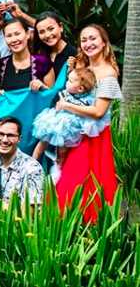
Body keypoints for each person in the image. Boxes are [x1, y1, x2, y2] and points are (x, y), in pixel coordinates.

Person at [56, 25, 122, 222]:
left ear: (103, 42)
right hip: (76, 132)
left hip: (94, 137)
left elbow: (99, 111)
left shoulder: (108, 72)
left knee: (83, 182)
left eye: (93, 38)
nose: (88, 43)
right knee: (68, 180)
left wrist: (66, 106)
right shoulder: (84, 69)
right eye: (84, 40)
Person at [32, 68, 99, 181]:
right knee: (44, 140)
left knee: (63, 149)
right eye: (68, 80)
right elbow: (57, 106)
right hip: (56, 121)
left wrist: (85, 127)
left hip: (70, 127)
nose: (67, 82)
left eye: (71, 81)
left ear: (80, 88)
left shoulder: (87, 100)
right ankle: (33, 160)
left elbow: (86, 115)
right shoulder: (64, 94)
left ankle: (58, 167)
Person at [0, 117, 44, 208]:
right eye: (0, 134)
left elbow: (29, 212)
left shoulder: (32, 168)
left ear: (19, 139)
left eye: (10, 135)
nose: (4, 140)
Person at [0, 18, 55, 92]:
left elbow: (52, 95)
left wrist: (43, 87)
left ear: (28, 34)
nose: (14, 40)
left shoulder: (43, 62)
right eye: (9, 36)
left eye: (17, 34)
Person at [33, 11, 78, 76]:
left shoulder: (74, 55)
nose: (47, 35)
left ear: (61, 27)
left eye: (51, 29)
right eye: (41, 32)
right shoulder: (40, 55)